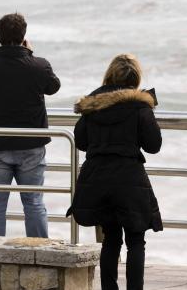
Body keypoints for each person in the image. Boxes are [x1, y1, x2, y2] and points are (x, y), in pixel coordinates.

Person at [68, 54, 163, 290]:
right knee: (136, 241)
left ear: (109, 75)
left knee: (110, 239)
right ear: (136, 78)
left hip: (98, 177)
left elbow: (80, 140)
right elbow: (154, 145)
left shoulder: (93, 105)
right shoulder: (139, 106)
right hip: (129, 178)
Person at [0, 12, 61, 238]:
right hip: (31, 145)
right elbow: (53, 87)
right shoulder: (39, 65)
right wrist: (30, 53)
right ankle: (40, 250)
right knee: (34, 200)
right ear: (24, 36)